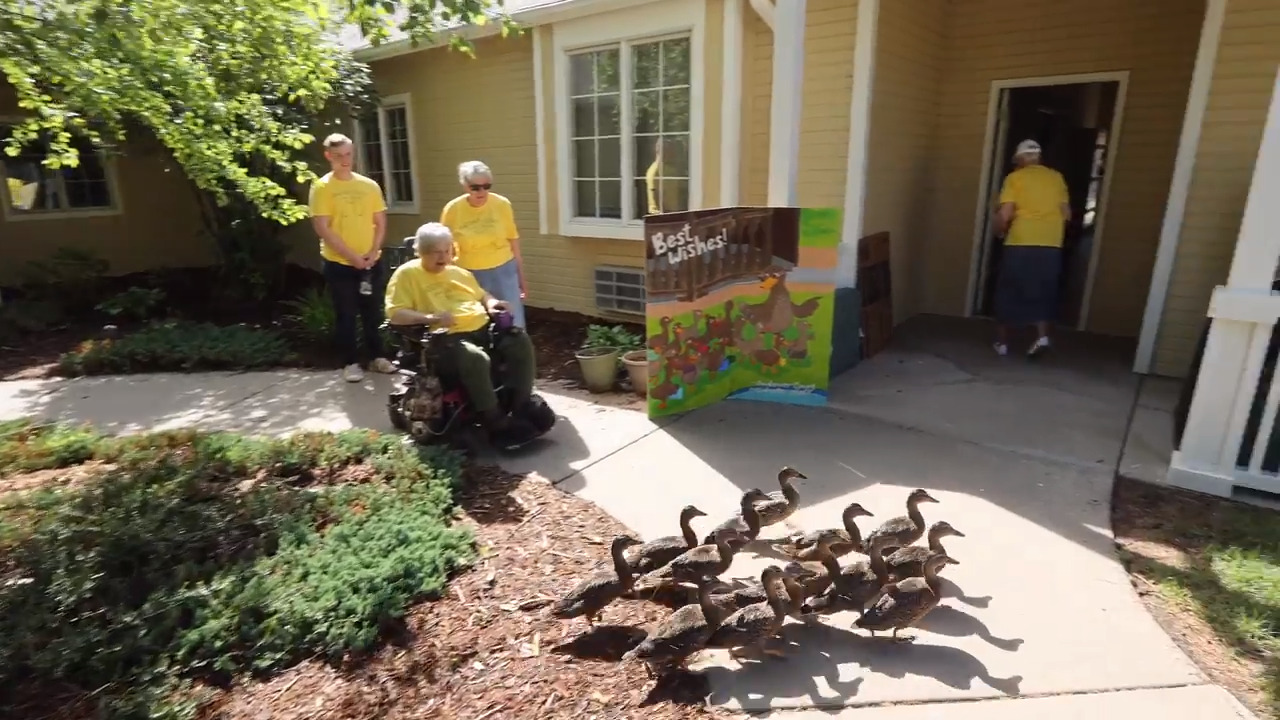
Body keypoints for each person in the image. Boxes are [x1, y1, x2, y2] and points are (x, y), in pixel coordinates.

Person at [385, 222, 537, 445]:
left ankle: (521, 404)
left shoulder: (458, 272)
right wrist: (430, 318)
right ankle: (494, 420)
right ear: (421, 251)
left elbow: (482, 294)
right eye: (436, 252)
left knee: (518, 341)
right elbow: (396, 314)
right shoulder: (407, 275)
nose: (443, 257)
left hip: (482, 330)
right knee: (475, 358)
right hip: (443, 340)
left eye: (447, 250)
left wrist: (493, 303)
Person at [308, 132, 394, 382]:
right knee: (346, 314)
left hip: (371, 262)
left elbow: (379, 221)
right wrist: (353, 257)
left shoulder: (368, 186)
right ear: (328, 156)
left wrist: (373, 251)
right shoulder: (322, 187)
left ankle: (378, 357)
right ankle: (350, 363)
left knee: (373, 312)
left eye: (348, 154)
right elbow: (323, 228)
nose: (345, 161)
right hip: (340, 264)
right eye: (338, 156)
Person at [992, 139, 1071, 359]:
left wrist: (998, 230)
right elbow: (1067, 214)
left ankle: (1003, 343)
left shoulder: (1015, 178)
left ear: (1020, 159)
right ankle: (1042, 337)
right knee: (1043, 290)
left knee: (1009, 290)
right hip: (1051, 243)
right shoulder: (1056, 178)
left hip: (1021, 241)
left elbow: (1005, 213)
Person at [440, 160, 528, 329]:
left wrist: (521, 278)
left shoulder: (502, 204)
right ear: (465, 186)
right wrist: (447, 279)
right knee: (477, 322)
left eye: (487, 186)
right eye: (475, 187)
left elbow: (513, 241)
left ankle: (514, 355)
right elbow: (445, 248)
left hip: (503, 270)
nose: (482, 192)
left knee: (512, 321)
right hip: (469, 274)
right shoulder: (452, 210)